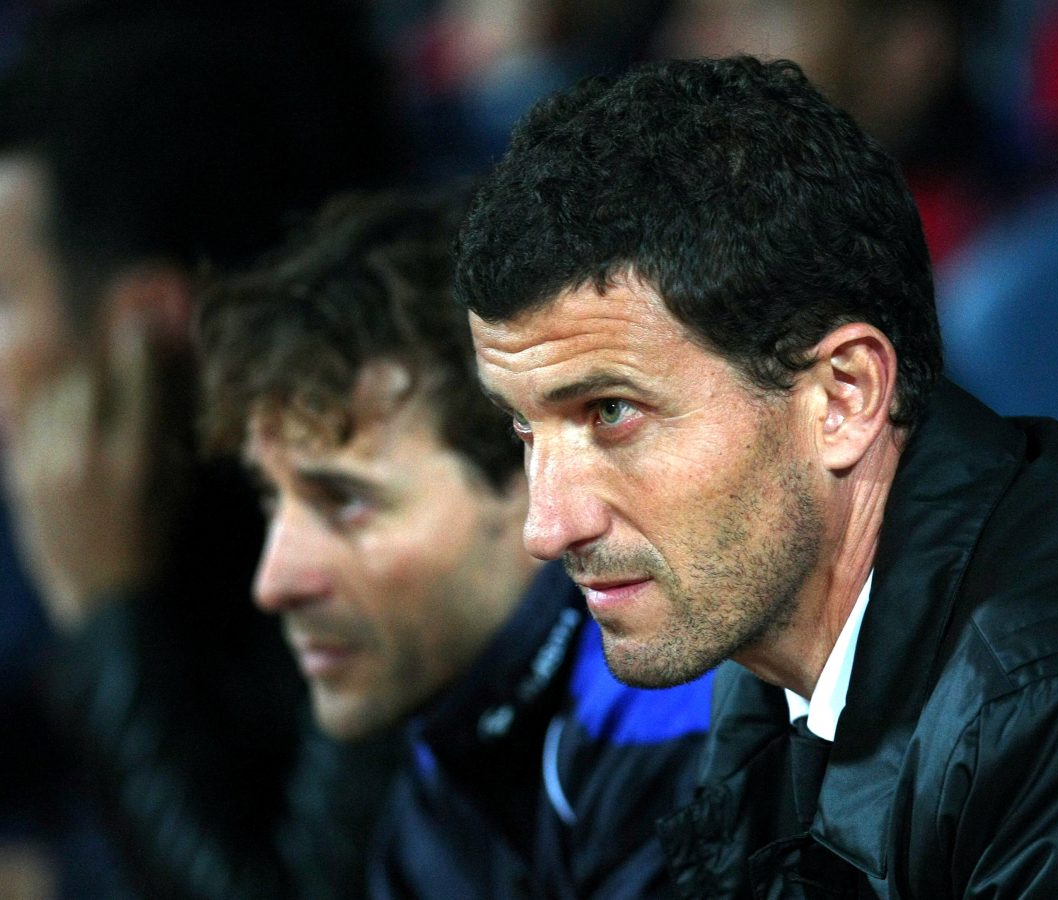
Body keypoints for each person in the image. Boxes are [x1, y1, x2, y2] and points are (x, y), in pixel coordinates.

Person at [456, 55, 1058, 897]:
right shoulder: (766, 640)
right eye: (524, 428)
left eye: (611, 412)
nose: (548, 526)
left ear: (844, 397)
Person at [195, 188, 714, 899]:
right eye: (270, 499)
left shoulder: (668, 726)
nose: (275, 581)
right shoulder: (442, 761)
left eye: (345, 502)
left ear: (524, 476)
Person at [0, 2, 404, 896]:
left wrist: (107, 621)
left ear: (147, 321)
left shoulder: (384, 538)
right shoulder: (150, 511)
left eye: (1, 299)